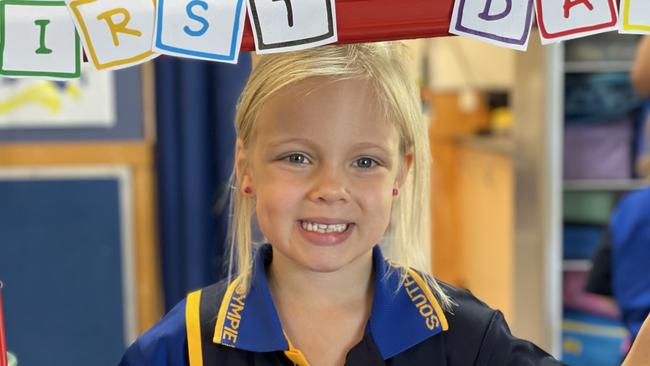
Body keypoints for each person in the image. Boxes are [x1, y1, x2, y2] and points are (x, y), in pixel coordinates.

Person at [120, 42, 564, 365]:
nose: (331, 188)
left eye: (365, 161)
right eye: (297, 157)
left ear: (400, 172)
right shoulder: (182, 348)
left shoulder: (466, 338)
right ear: (247, 166)